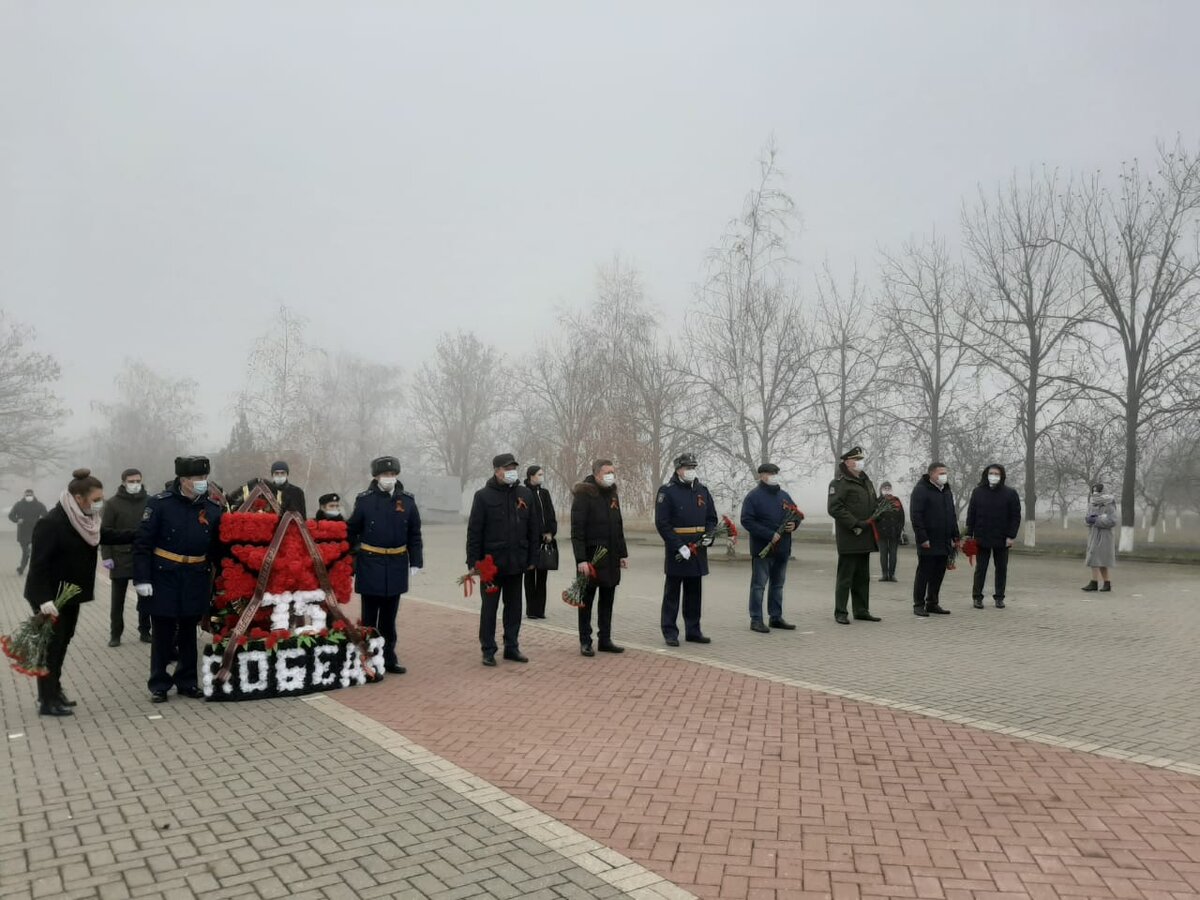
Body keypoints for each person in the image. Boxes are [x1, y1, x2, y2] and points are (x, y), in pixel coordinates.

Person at [23, 469, 135, 716]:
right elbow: (38, 566)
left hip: (70, 595)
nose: (99, 504)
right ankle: (47, 700)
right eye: (95, 499)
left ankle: (55, 690)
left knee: (63, 641)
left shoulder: (85, 521)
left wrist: (140, 535)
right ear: (78, 498)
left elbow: (106, 535)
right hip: (50, 597)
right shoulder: (52, 523)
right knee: (51, 646)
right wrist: (43, 600)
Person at [133, 456, 225, 703]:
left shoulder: (212, 509)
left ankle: (186, 681)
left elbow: (217, 548)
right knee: (162, 631)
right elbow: (142, 544)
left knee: (188, 632)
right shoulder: (160, 504)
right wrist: (142, 579)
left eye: (205, 478)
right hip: (164, 575)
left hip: (195, 576)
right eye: (198, 479)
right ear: (183, 480)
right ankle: (159, 683)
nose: (203, 483)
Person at [347, 457, 422, 675]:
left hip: (397, 564)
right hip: (371, 563)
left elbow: (414, 534)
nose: (389, 478)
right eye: (384, 475)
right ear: (376, 477)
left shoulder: (407, 501)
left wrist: (416, 561)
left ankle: (389, 657)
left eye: (392, 474)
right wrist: (352, 556)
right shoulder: (365, 500)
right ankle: (367, 658)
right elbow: (351, 530)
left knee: (389, 619)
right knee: (369, 618)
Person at [467, 453, 538, 666]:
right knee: (490, 609)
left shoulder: (524, 494)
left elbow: (533, 529)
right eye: (507, 468)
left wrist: (533, 557)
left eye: (513, 467)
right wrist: (473, 563)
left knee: (514, 608)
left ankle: (512, 647)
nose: (511, 472)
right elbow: (474, 532)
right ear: (497, 470)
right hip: (490, 565)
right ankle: (488, 649)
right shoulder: (483, 496)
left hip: (517, 563)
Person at [655, 453, 718, 646]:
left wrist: (709, 535)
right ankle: (670, 631)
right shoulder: (667, 491)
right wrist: (679, 545)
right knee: (672, 593)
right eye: (687, 467)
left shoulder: (702, 490)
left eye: (693, 467)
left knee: (694, 592)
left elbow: (711, 518)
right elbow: (662, 523)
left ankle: (693, 630)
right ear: (678, 469)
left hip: (698, 548)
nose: (691, 471)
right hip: (679, 549)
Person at [570, 459, 629, 655]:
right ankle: (585, 640)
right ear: (596, 474)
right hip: (591, 559)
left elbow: (618, 525)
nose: (611, 475)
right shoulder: (584, 494)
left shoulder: (612, 494)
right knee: (586, 601)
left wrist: (622, 553)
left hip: (611, 557)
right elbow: (577, 531)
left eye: (613, 472)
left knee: (608, 599)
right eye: (607, 472)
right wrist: (581, 560)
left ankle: (605, 639)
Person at [739, 463, 800, 633]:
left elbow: (796, 514)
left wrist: (794, 524)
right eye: (769, 473)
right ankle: (756, 619)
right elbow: (747, 520)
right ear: (761, 476)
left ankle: (776, 617)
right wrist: (768, 534)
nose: (773, 475)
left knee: (778, 585)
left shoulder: (784, 496)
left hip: (782, 549)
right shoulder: (753, 497)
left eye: (775, 473)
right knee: (759, 585)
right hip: (763, 548)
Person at [827, 447, 881, 625]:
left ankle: (861, 610)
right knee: (846, 577)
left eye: (861, 458)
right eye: (856, 459)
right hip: (850, 536)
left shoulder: (866, 482)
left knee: (862, 577)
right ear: (847, 462)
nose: (860, 462)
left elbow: (872, 504)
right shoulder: (839, 483)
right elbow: (835, 507)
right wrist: (855, 523)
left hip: (865, 536)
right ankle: (841, 612)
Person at [100, 468, 151, 646]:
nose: (135, 484)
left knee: (145, 598)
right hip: (119, 557)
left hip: (144, 557)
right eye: (131, 481)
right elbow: (104, 532)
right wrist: (106, 556)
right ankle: (115, 634)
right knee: (117, 601)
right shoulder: (113, 504)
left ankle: (145, 630)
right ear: (123, 482)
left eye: (138, 481)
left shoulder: (150, 501)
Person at [965, 464, 1021, 609]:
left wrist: (1011, 535)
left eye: (997, 473)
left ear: (1002, 475)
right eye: (991, 473)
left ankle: (999, 597)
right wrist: (968, 534)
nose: (994, 475)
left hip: (1002, 538)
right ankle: (977, 597)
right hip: (982, 537)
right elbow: (971, 514)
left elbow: (1015, 517)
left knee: (1001, 569)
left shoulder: (1010, 493)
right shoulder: (978, 492)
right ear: (986, 474)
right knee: (981, 569)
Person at [910, 462, 960, 617]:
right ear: (931, 474)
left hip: (944, 539)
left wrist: (955, 535)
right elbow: (916, 515)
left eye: (945, 472)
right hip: (928, 540)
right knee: (924, 572)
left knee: (939, 572)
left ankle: (932, 602)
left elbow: (951, 514)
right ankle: (918, 604)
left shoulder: (946, 491)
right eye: (940, 473)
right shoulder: (921, 490)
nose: (943, 476)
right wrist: (922, 537)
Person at [523, 465, 557, 619]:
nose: (541, 476)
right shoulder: (524, 493)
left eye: (542, 474)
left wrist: (550, 531)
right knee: (530, 576)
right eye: (539, 474)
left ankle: (540, 609)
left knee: (542, 576)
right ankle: (531, 610)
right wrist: (536, 534)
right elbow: (528, 518)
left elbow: (550, 514)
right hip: (530, 541)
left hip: (545, 540)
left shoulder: (544, 493)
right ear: (531, 476)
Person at [229, 461, 305, 516]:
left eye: (282, 473)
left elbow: (302, 515)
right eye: (277, 473)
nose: (280, 475)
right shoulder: (267, 490)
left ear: (287, 474)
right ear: (272, 475)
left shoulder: (297, 492)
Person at [1083, 483, 1117, 592]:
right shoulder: (1092, 504)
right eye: (1094, 491)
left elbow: (1112, 521)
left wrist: (1097, 520)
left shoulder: (1109, 505)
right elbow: (1087, 518)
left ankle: (1099, 583)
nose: (1095, 493)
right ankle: (1101, 583)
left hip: (1104, 536)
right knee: (1096, 559)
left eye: (1097, 491)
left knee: (1100, 560)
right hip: (1094, 534)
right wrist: (1088, 520)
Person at [10, 488, 47, 576]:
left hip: (36, 532)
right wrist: (17, 520)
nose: (29, 497)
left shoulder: (39, 505)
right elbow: (11, 515)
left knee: (35, 552)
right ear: (24, 495)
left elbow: (46, 515)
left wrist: (41, 521)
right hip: (23, 532)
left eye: (30, 495)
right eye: (27, 495)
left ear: (33, 495)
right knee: (25, 552)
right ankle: (22, 568)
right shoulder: (19, 505)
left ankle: (35, 569)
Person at [875, 481, 905, 582]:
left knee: (893, 554)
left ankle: (892, 575)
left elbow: (901, 516)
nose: (887, 489)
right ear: (881, 489)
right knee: (883, 554)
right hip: (881, 532)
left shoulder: (896, 500)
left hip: (894, 532)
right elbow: (873, 517)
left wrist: (900, 529)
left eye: (889, 487)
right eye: (885, 487)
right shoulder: (877, 501)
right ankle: (884, 574)